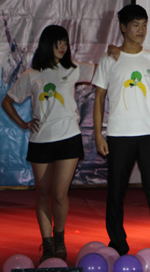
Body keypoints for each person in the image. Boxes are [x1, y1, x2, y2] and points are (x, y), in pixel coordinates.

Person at [1, 25, 95, 263]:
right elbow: (7, 102)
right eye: (58, 42)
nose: (63, 47)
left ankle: (59, 239)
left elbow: (103, 70)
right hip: (41, 140)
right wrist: (23, 124)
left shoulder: (73, 69)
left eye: (65, 42)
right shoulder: (31, 75)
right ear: (47, 44)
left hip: (69, 138)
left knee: (60, 193)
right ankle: (47, 242)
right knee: (43, 192)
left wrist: (115, 51)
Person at [93, 4, 150, 257]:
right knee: (116, 193)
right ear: (123, 27)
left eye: (144, 25)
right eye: (136, 25)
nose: (141, 30)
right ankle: (118, 244)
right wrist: (98, 134)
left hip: (149, 134)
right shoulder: (109, 59)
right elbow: (99, 98)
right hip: (119, 135)